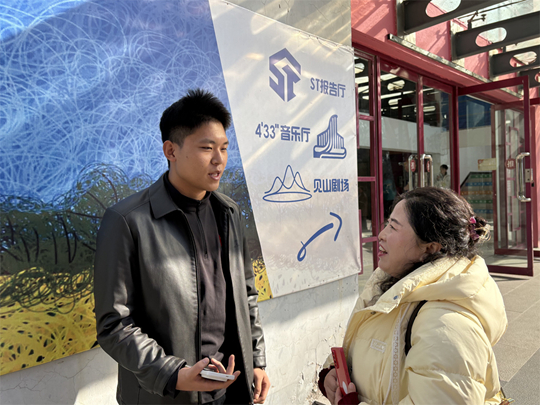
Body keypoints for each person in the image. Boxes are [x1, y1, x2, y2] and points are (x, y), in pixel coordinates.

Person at [94, 89, 270, 405]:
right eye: (207, 148)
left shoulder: (229, 213)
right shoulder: (128, 221)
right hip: (164, 394)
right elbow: (114, 324)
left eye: (224, 148)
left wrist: (256, 360)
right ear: (171, 150)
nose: (219, 159)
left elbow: (247, 294)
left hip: (228, 389)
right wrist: (173, 374)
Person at [318, 187, 508, 405]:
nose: (381, 235)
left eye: (393, 227)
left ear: (429, 248)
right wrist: (334, 374)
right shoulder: (389, 287)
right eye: (387, 223)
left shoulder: (445, 323)